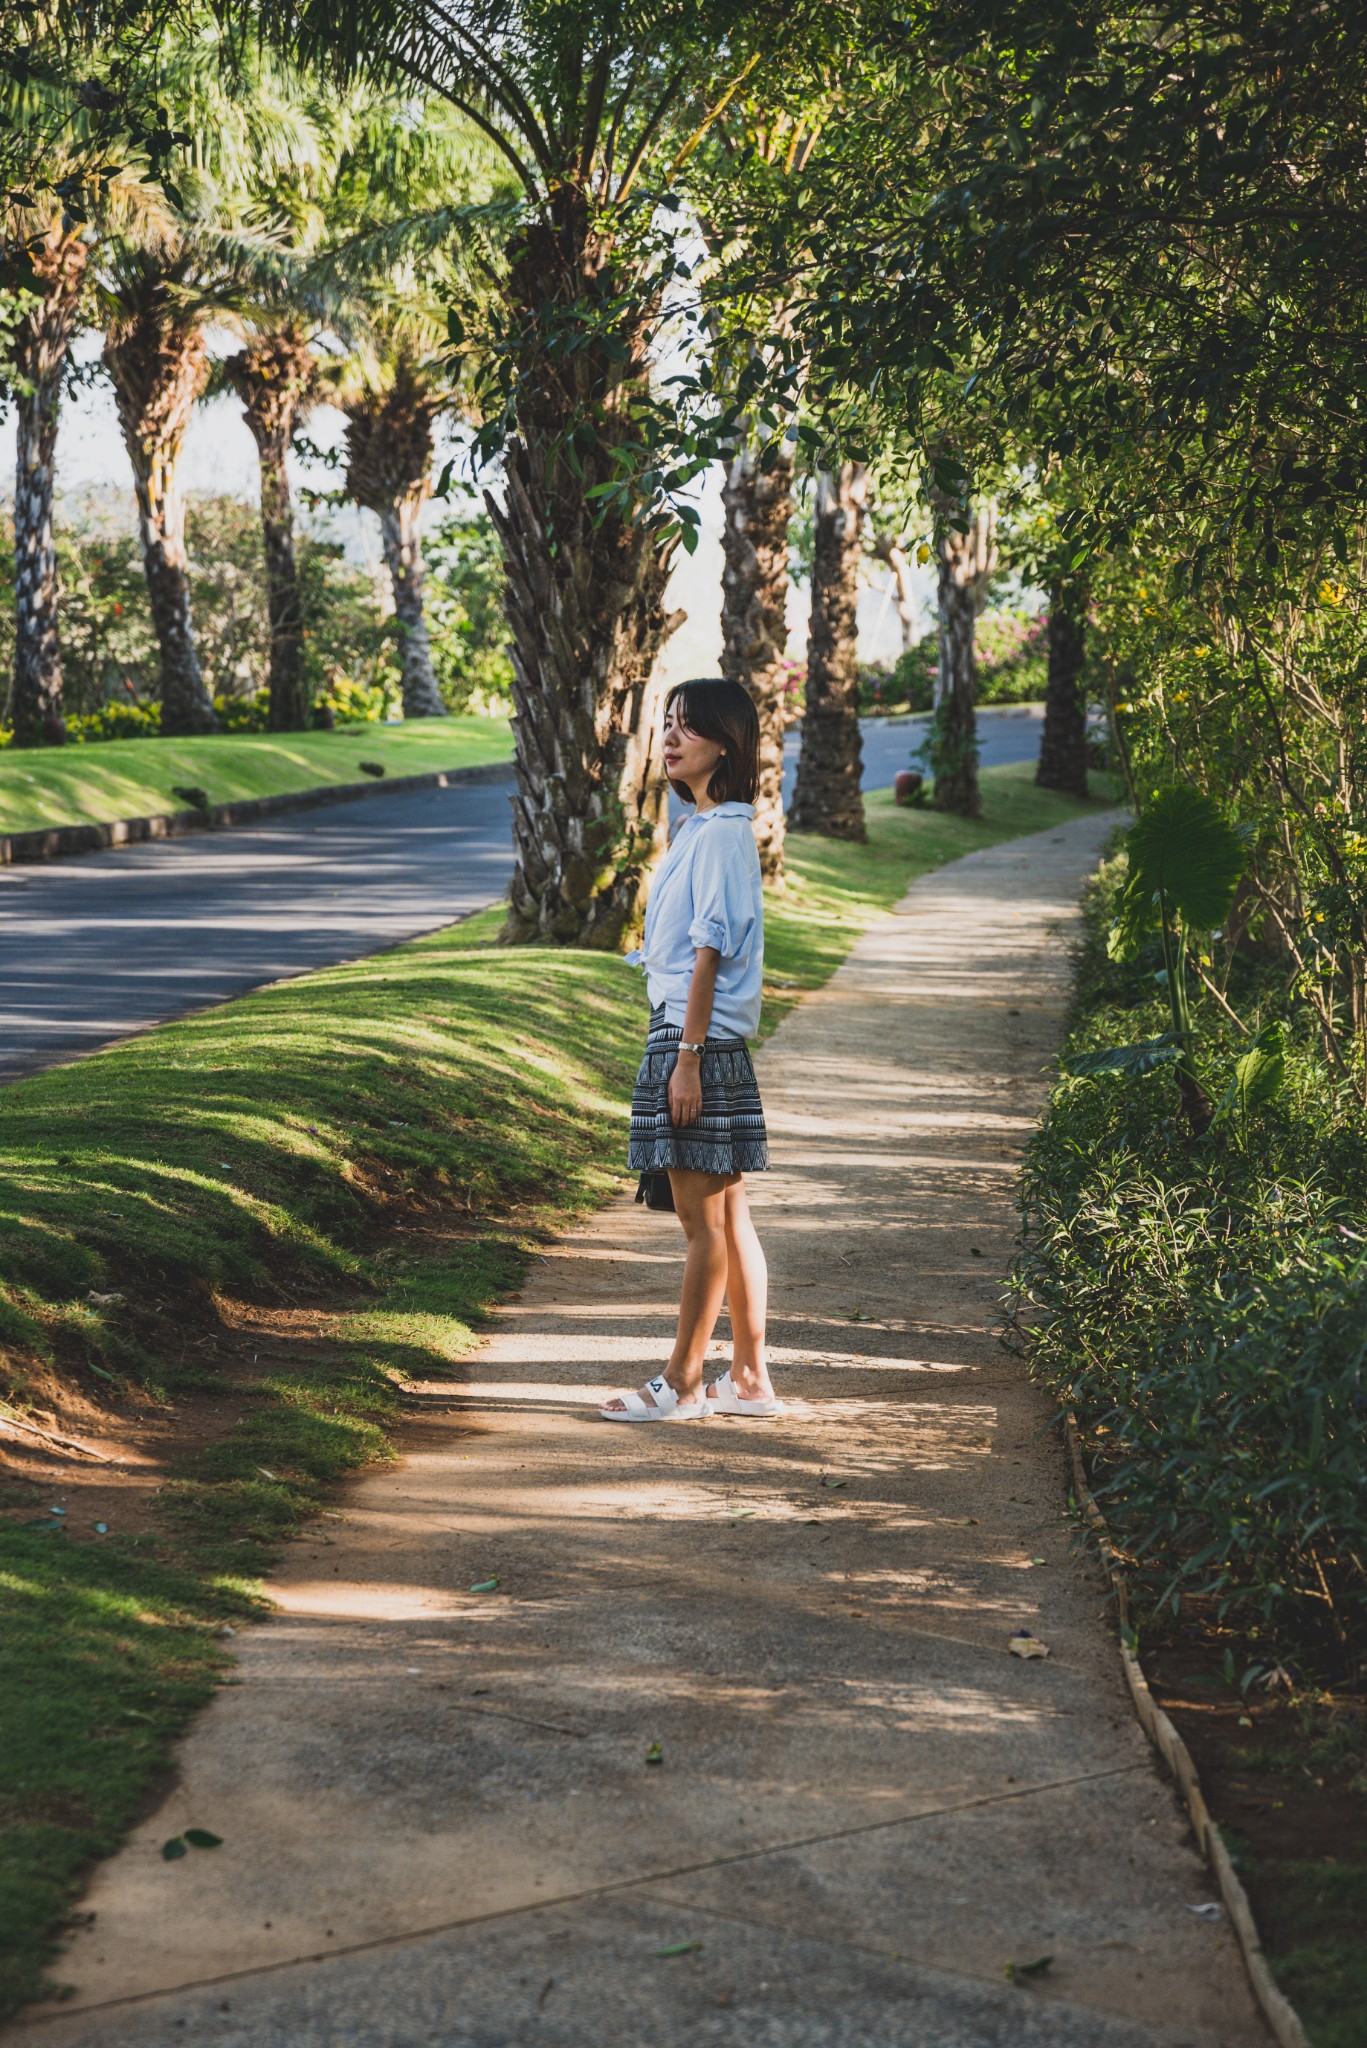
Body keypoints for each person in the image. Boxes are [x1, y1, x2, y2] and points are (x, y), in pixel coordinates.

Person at [600, 678, 781, 1422]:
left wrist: (686, 1058)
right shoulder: (703, 828)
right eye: (667, 724)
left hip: (692, 1039)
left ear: (724, 745)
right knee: (730, 1219)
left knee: (702, 1227)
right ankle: (746, 1380)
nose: (670, 739)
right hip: (693, 1036)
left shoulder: (724, 832)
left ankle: (678, 1384)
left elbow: (708, 951)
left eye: (688, 728)